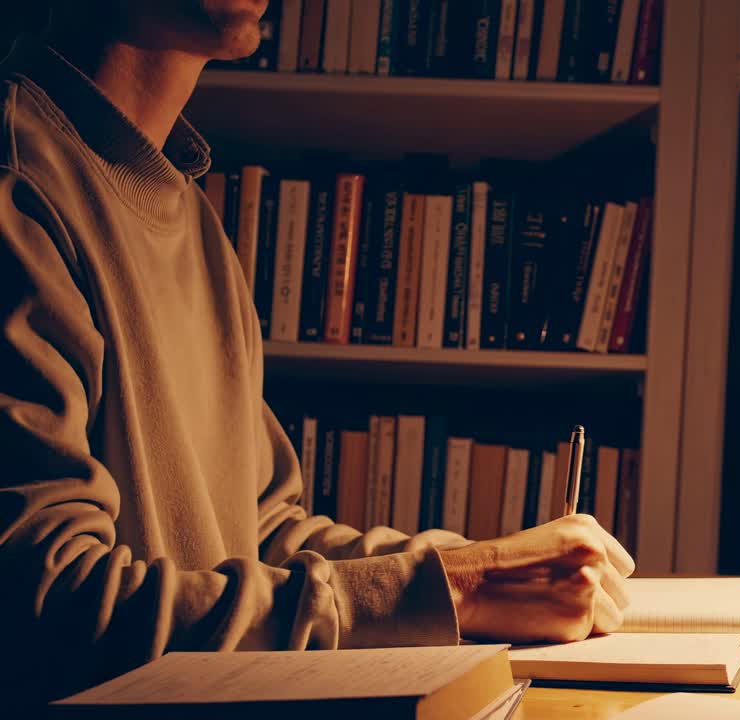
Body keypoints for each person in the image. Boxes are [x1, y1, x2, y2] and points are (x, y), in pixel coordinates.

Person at [0, 0, 634, 709]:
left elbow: (261, 533)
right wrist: (459, 587)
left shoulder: (186, 206)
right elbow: (47, 609)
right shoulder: (16, 185)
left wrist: (475, 567)